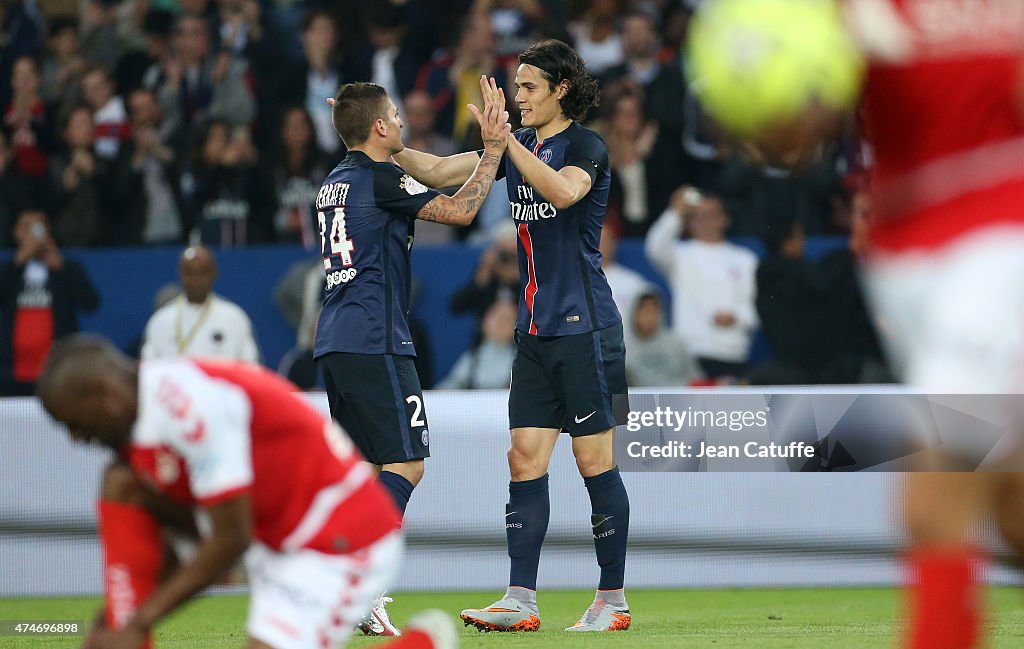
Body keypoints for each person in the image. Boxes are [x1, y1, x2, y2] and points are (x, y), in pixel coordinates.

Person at [720, 2, 1024, 647]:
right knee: (1015, 518)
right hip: (909, 251)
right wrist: (775, 102)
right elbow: (802, 121)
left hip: (1000, 235)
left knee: (936, 492)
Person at [394, 40, 631, 632]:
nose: (518, 96)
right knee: (523, 459)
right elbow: (444, 172)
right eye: (515, 87)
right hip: (533, 332)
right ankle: (520, 599)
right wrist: (383, 148)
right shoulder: (519, 145)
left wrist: (504, 147)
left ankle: (612, 600)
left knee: (592, 460)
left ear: (562, 90)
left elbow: (563, 192)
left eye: (528, 87)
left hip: (587, 329)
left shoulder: (587, 147)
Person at [35, 334, 458, 649]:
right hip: (273, 532)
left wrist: (137, 621)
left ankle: (418, 644)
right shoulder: (143, 421)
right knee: (121, 483)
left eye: (71, 421)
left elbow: (229, 539)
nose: (75, 438)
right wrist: (120, 620)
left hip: (340, 537)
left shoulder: (190, 408)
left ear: (103, 395)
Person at [315, 80, 509, 634]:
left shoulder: (336, 180)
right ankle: (362, 587)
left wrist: (496, 147)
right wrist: (494, 151)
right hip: (376, 338)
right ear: (379, 127)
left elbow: (435, 169)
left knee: (363, 473)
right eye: (395, 116)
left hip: (335, 340)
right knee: (406, 463)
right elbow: (462, 207)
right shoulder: (380, 181)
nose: (401, 121)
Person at [644, 185, 759, 380]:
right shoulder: (680, 255)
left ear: (725, 218)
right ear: (688, 222)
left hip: (734, 352)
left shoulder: (745, 259)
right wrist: (675, 212)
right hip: (691, 353)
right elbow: (655, 247)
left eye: (711, 215)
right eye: (698, 216)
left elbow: (756, 306)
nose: (705, 222)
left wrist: (737, 317)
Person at [0, 209, 99, 396]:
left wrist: (61, 269)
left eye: (38, 227)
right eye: (26, 228)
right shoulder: (9, 269)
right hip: (12, 374)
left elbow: (91, 303)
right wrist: (19, 261)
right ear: (16, 233)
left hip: (57, 372)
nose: (33, 234)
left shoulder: (68, 268)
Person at [141, 245, 259, 363]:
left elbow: (250, 367)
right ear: (180, 274)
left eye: (203, 272)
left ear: (214, 273)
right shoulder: (161, 320)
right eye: (189, 272)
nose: (196, 279)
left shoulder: (234, 318)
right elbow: (149, 370)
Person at [625, 288, 703, 388]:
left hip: (679, 400)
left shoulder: (676, 344)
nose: (649, 317)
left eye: (653, 311)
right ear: (634, 314)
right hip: (641, 402)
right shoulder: (622, 350)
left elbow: (696, 380)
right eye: (644, 311)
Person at [437, 297, 516, 390]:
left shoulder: (520, 361)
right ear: (484, 321)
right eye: (496, 315)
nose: (500, 322)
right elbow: (449, 386)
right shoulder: (472, 357)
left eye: (506, 319)